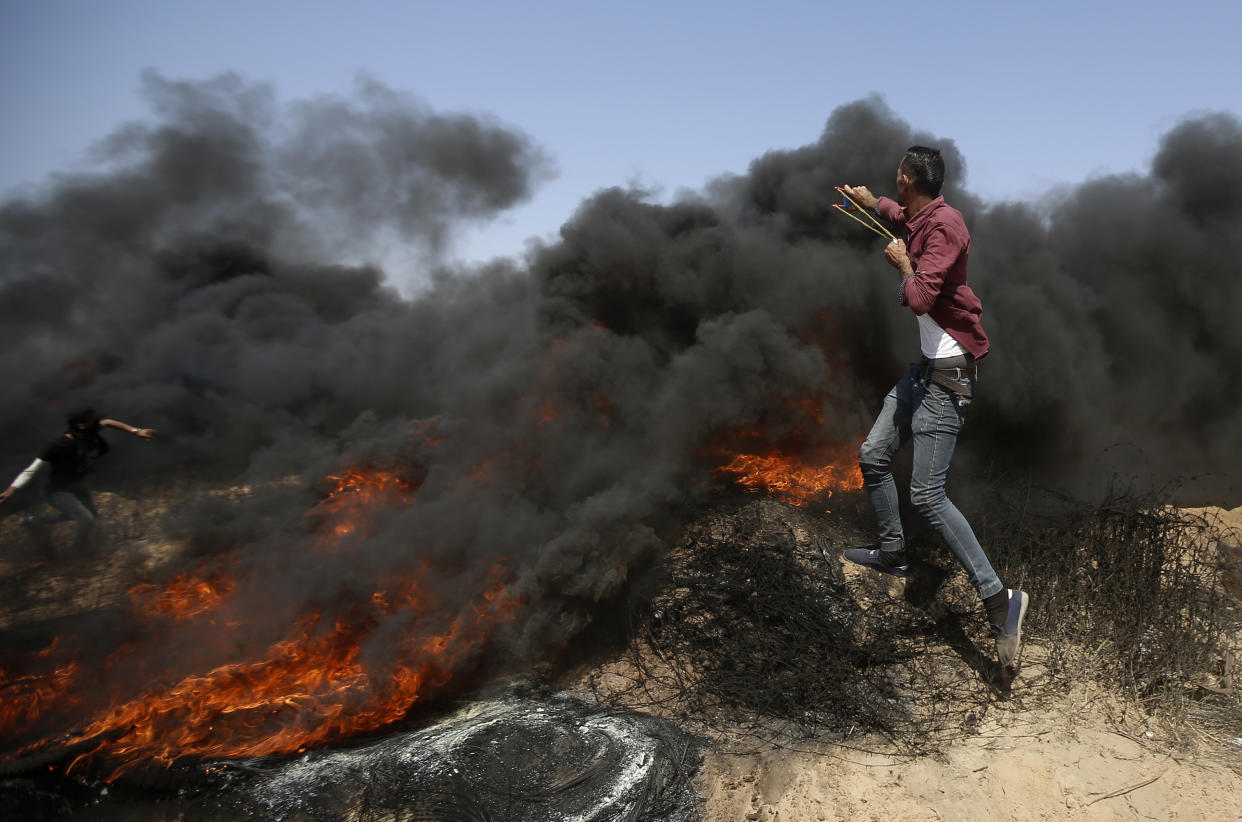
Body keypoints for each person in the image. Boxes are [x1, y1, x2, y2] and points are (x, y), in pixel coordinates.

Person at [840, 147, 1029, 667]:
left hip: (949, 379)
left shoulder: (945, 227)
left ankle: (1000, 600)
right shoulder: (922, 213)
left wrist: (902, 265)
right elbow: (902, 217)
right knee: (874, 454)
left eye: (895, 177)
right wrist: (869, 201)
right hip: (923, 372)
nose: (893, 181)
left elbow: (921, 297)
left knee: (926, 494)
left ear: (910, 179)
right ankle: (893, 553)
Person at [0, 407, 156, 555]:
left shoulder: (89, 430)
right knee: (86, 519)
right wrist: (11, 490)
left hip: (74, 486)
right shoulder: (58, 444)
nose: (97, 422)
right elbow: (31, 470)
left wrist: (137, 431)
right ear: (81, 425)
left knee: (89, 516)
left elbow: (108, 422)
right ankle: (79, 553)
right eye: (92, 420)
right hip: (57, 491)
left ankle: (32, 521)